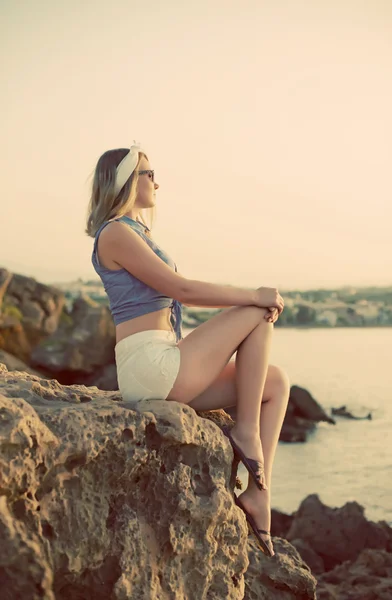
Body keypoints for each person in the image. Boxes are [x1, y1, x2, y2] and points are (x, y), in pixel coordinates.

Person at [85, 141, 290, 557]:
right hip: (149, 364)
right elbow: (181, 290)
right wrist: (253, 293)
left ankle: (259, 496)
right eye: (148, 173)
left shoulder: (135, 231)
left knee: (275, 382)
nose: (156, 182)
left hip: (163, 363)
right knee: (256, 310)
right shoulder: (116, 232)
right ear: (126, 181)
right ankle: (245, 429)